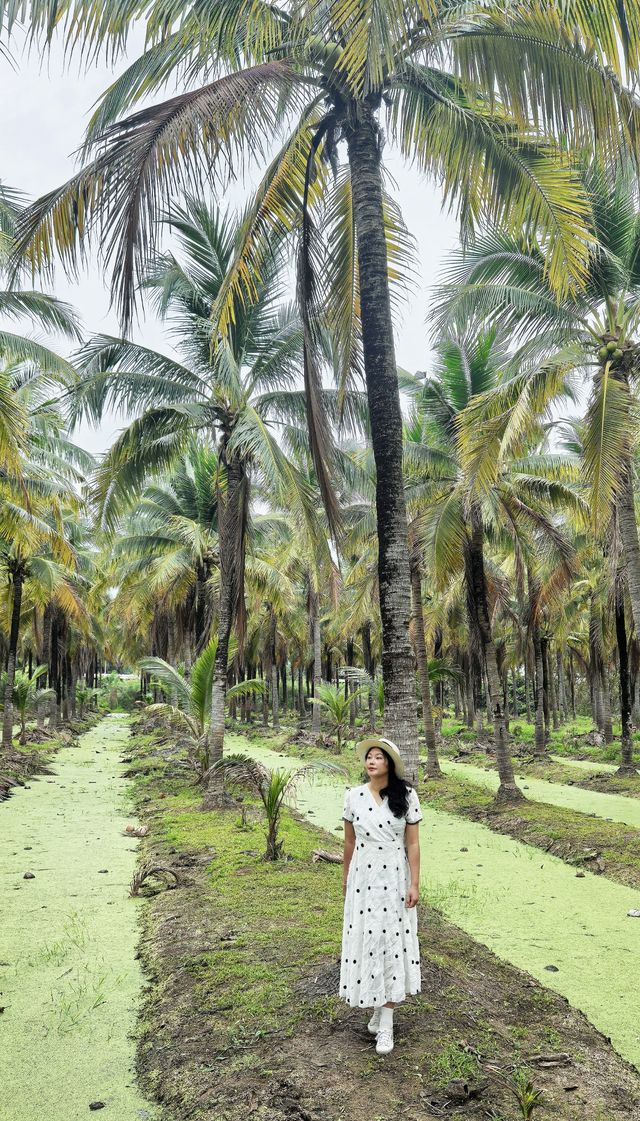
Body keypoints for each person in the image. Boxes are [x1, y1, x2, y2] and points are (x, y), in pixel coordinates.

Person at [339, 736, 422, 1055]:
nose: (372, 761)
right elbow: (348, 843)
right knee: (369, 941)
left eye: (378, 757)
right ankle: (378, 1007)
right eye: (368, 757)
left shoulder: (407, 796)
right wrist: (346, 876)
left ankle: (386, 1026)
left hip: (394, 877)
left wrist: (414, 883)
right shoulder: (353, 797)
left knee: (390, 941)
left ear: (389, 763)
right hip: (363, 876)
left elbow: (412, 844)